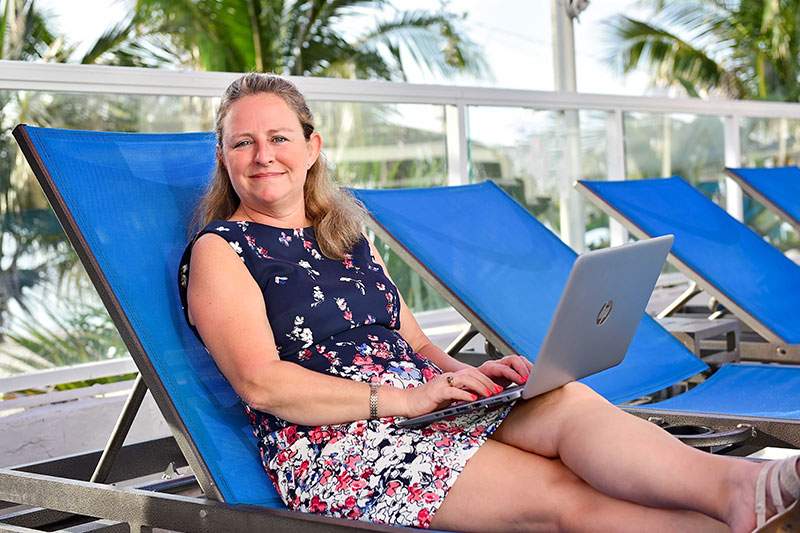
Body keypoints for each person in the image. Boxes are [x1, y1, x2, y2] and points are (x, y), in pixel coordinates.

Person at [179, 72, 799, 532]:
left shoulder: (342, 235)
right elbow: (263, 385)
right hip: (338, 444)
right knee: (561, 495)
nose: (264, 156)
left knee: (567, 401)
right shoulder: (222, 250)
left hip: (424, 409)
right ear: (223, 157)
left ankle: (745, 488)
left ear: (312, 148)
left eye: (280, 137)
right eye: (243, 143)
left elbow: (415, 344)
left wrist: (464, 375)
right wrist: (403, 398)